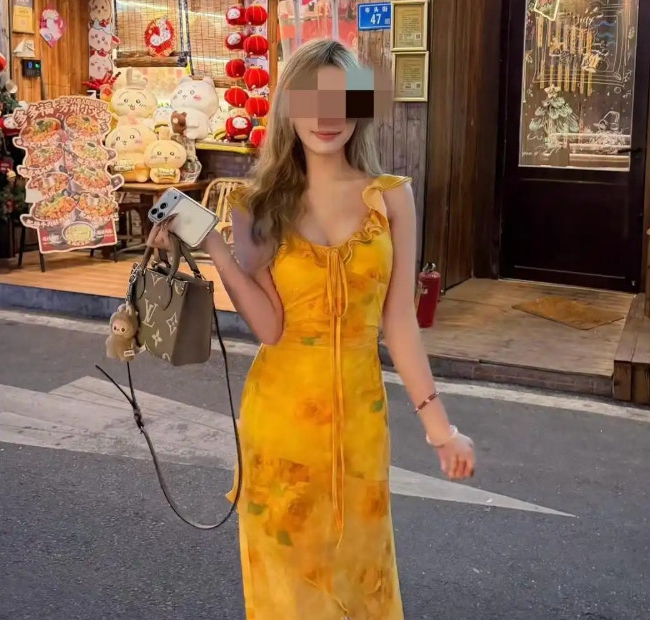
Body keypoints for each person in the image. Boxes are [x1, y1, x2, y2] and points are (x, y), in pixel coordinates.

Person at [148, 38, 475, 620]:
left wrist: (441, 431)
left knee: (362, 583)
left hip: (360, 431)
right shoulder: (255, 204)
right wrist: (214, 245)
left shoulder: (391, 199)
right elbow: (270, 327)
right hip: (279, 428)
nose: (327, 116)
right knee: (287, 595)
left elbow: (399, 320)